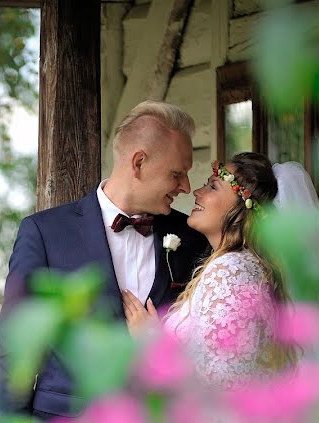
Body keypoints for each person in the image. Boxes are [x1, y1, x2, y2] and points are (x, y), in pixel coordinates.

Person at [0, 101, 210, 422]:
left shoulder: (190, 237)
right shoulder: (44, 232)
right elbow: (16, 351)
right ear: (138, 163)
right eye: (177, 173)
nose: (186, 187)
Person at [122, 152, 288, 387]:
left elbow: (217, 385)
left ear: (242, 208)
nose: (197, 192)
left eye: (213, 186)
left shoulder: (230, 272)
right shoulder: (243, 265)